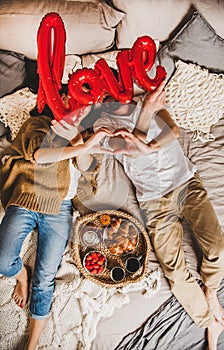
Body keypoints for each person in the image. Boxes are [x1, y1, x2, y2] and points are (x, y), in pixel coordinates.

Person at [92, 81, 224, 350]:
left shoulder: (147, 101)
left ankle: (211, 289)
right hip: (154, 202)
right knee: (175, 272)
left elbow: (172, 131)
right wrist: (145, 119)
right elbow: (127, 148)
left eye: (109, 92)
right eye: (100, 97)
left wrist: (150, 134)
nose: (106, 100)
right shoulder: (100, 127)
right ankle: (209, 321)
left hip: (186, 183)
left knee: (217, 247)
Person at [0, 94, 111, 350]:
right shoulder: (40, 123)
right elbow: (39, 156)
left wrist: (80, 141)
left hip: (59, 209)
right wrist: (80, 145)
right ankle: (21, 277)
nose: (77, 113)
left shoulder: (86, 136)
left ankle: (32, 342)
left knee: (46, 275)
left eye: (83, 110)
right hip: (28, 195)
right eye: (70, 104)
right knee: (4, 261)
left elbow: (87, 169)